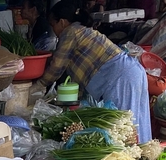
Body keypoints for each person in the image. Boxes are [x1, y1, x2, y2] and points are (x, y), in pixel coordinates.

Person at [37, 0, 152, 143]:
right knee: (136, 122)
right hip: (131, 72)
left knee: (124, 128)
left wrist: (39, 85)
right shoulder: (81, 30)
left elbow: (57, 66)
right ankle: (142, 159)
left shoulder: (70, 32)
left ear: (61, 22)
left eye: (53, 24)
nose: (53, 29)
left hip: (120, 77)